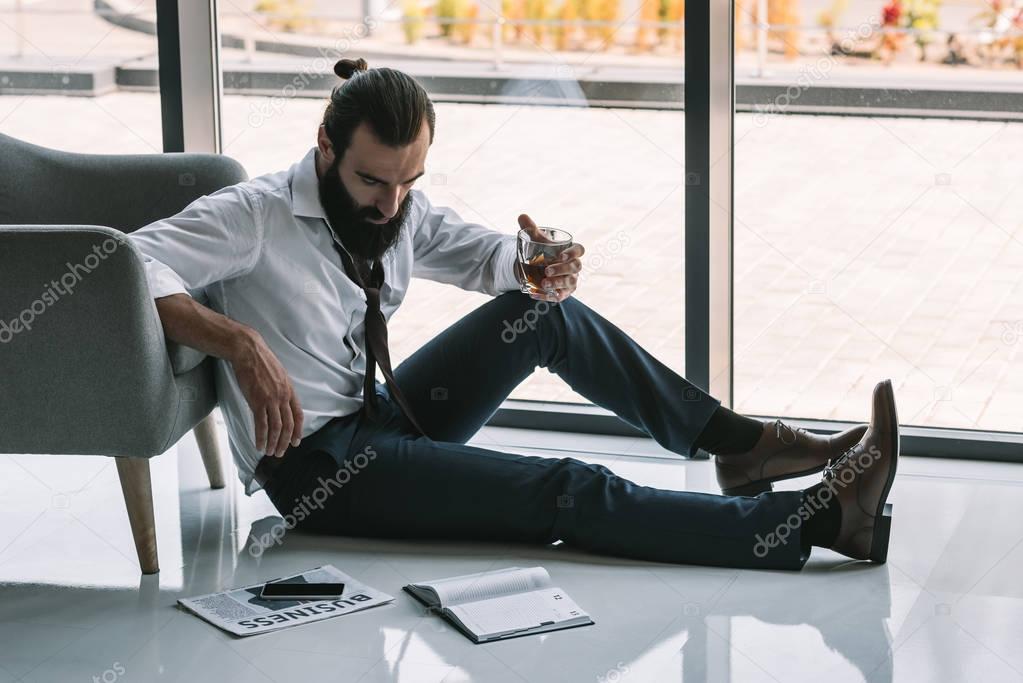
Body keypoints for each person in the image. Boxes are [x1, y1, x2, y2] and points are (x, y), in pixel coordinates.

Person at [129, 57, 900, 571]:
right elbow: (130, 263)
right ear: (325, 146)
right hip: (321, 468)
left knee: (542, 316)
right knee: (563, 485)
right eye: (372, 182)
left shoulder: (399, 209)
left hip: (386, 416)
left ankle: (739, 445)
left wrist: (541, 262)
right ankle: (820, 523)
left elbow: (487, 256)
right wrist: (237, 341)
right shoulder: (253, 215)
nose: (389, 205)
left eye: (408, 181)